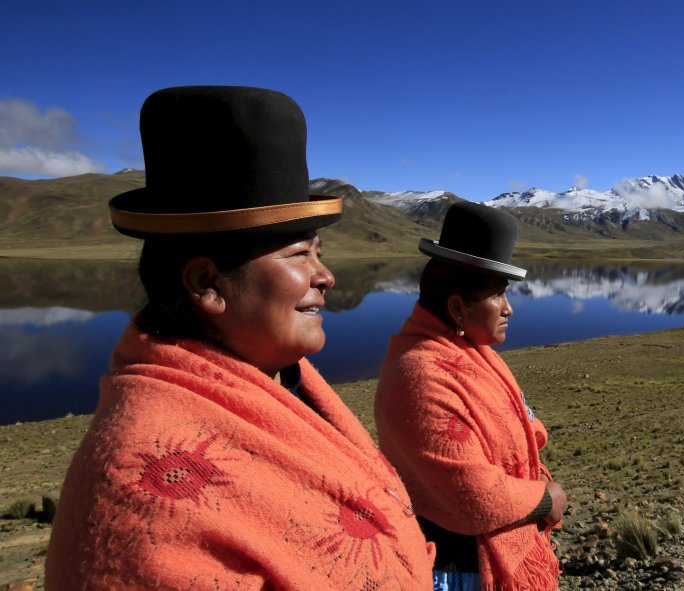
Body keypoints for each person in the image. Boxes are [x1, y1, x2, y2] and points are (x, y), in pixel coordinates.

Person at [46, 86, 434, 590]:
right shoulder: (147, 494)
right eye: (299, 255)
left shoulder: (284, 384)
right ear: (207, 284)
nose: (326, 276)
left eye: (319, 252)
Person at [375, 201, 567, 591]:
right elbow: (471, 498)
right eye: (498, 295)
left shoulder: (470, 356)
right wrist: (546, 500)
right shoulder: (421, 375)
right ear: (458, 307)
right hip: (458, 567)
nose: (510, 309)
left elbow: (526, 431)